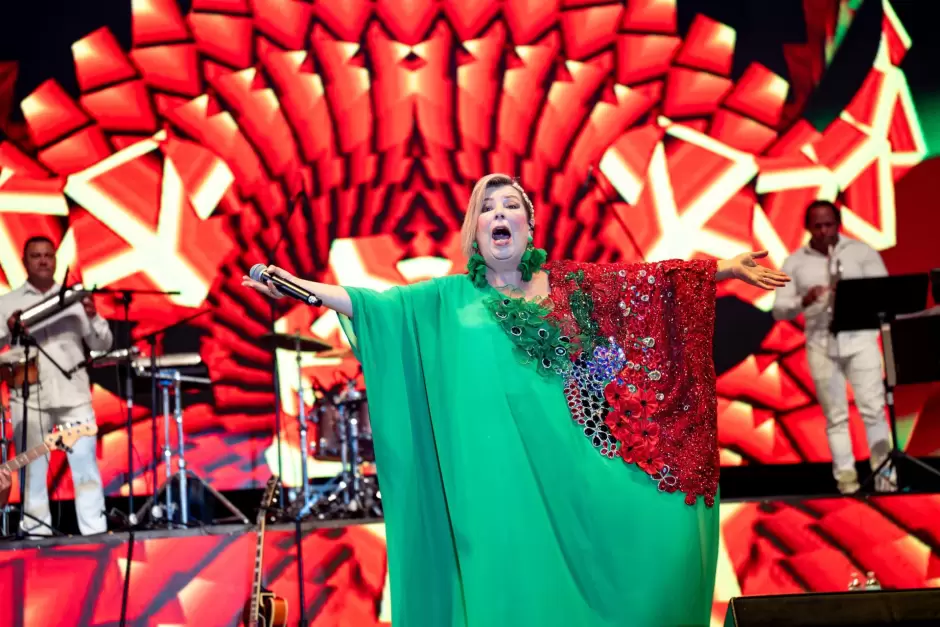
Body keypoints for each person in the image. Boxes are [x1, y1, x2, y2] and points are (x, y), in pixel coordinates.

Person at [243, 173, 790, 626]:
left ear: (529, 225)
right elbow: (375, 306)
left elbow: (649, 284)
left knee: (642, 552)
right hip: (493, 482)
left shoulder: (573, 286)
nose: (499, 213)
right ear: (474, 230)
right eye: (488, 208)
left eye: (511, 205)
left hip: (572, 470)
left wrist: (726, 269)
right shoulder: (446, 297)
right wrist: (298, 286)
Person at [772, 200, 893, 494]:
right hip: (821, 344)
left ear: (838, 223)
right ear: (807, 228)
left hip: (861, 340)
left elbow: (885, 293)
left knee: (874, 410)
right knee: (835, 416)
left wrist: (856, 295)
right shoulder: (794, 262)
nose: (824, 231)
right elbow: (779, 310)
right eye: (818, 226)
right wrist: (804, 300)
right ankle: (846, 479)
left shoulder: (862, 253)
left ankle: (885, 477)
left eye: (829, 224)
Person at [0, 235, 112, 536]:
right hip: (29, 399)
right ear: (24, 262)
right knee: (33, 473)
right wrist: (11, 332)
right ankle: (36, 534)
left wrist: (92, 315)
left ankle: (95, 534)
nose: (43, 260)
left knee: (86, 469)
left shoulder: (75, 301)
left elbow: (102, 343)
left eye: (48, 255)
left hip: (74, 395)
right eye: (36, 255)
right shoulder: (7, 304)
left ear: (55, 260)